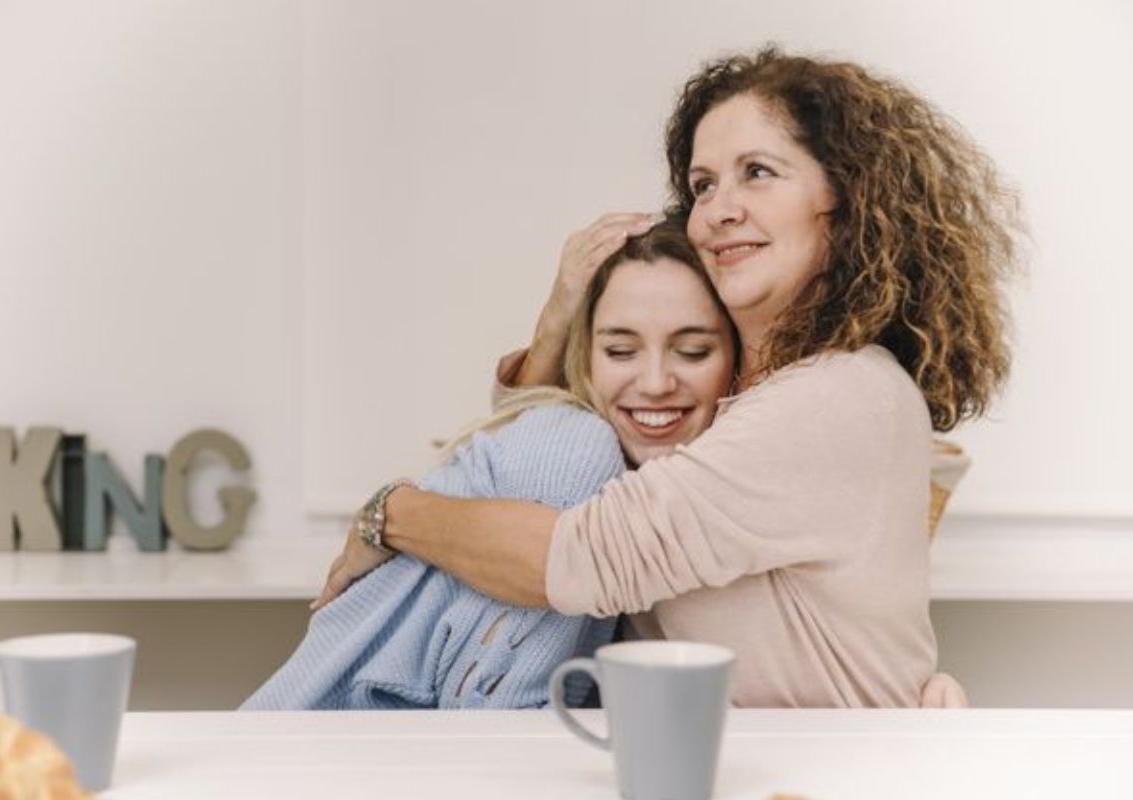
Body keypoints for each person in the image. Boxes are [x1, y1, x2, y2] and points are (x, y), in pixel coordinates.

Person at [313, 47, 1019, 708]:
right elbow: (547, 459)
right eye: (703, 184)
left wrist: (390, 514)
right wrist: (560, 319)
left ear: (847, 199)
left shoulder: (840, 393)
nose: (719, 208)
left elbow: (579, 558)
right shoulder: (733, 397)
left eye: (758, 172)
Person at [243, 222, 736, 710]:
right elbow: (489, 719)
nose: (654, 382)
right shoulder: (575, 449)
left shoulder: (660, 485)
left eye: (692, 352)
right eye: (620, 351)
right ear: (586, 359)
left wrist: (387, 512)